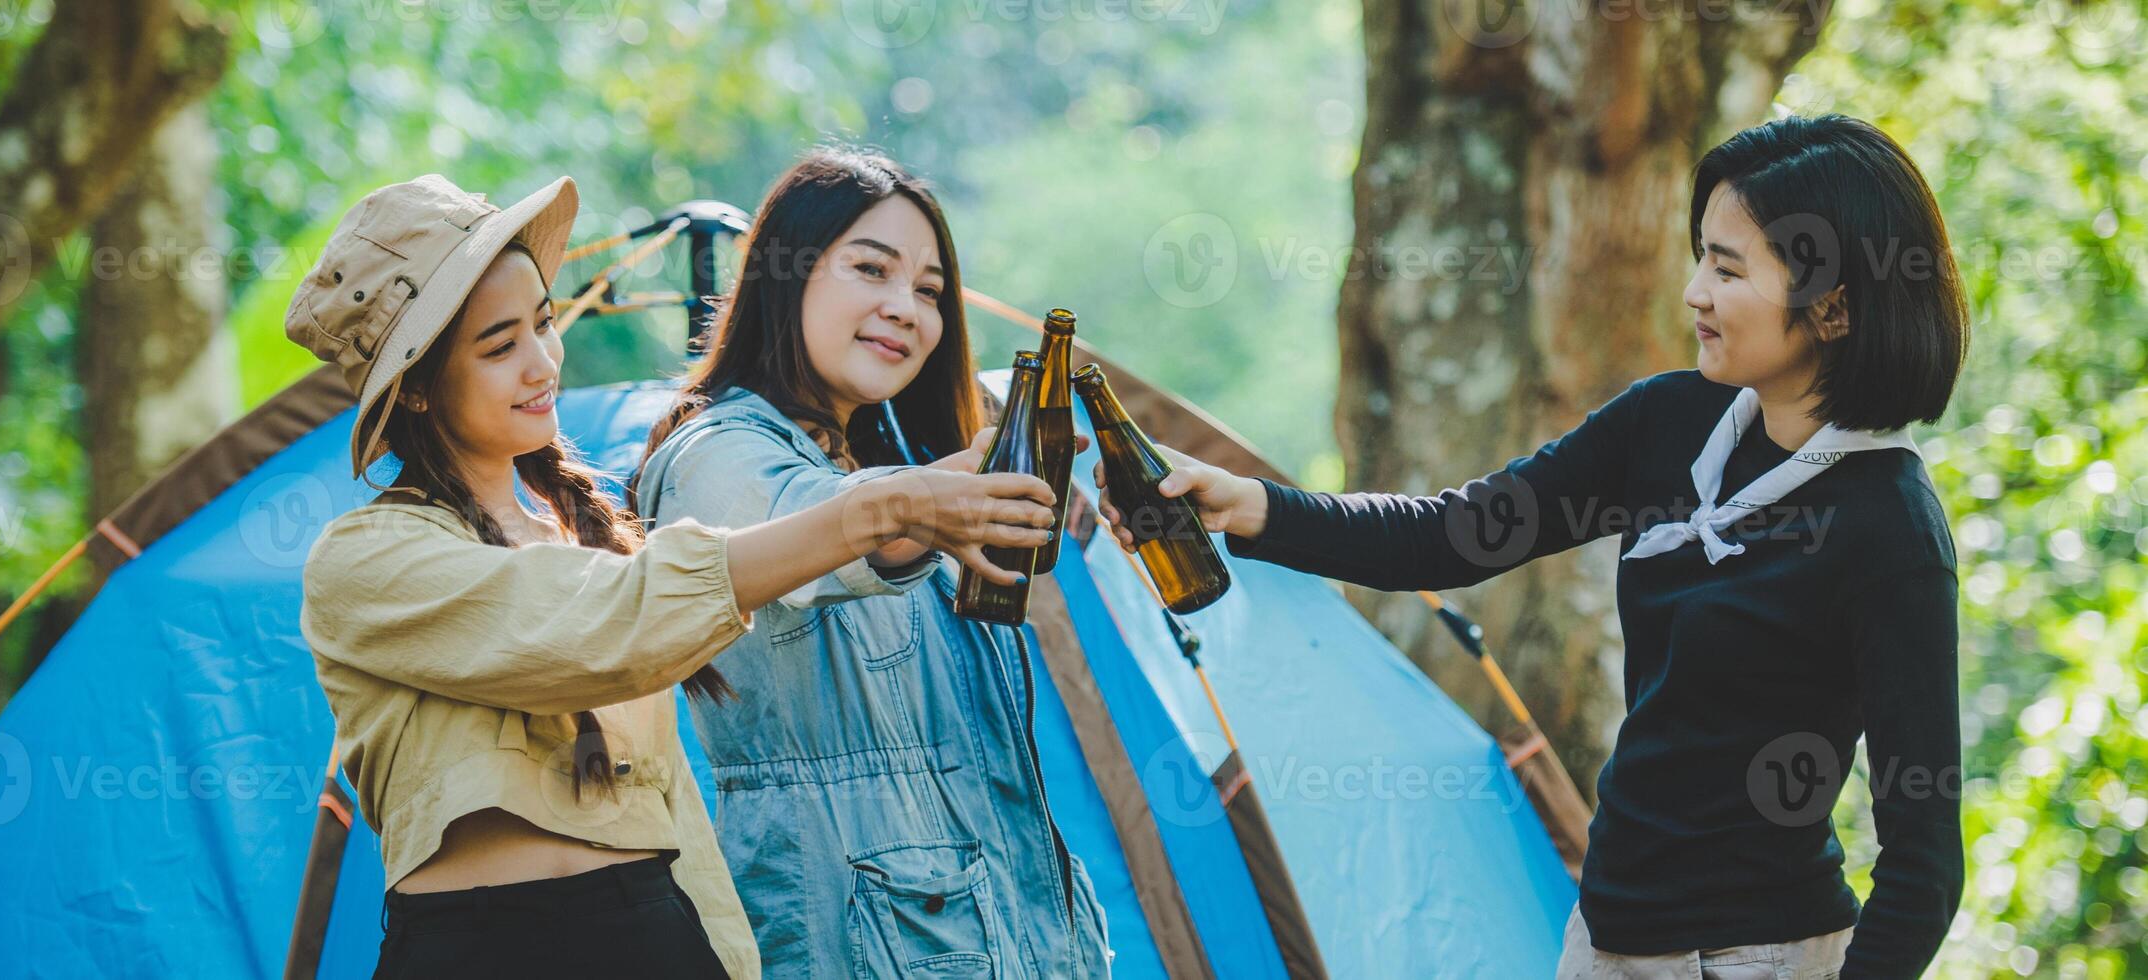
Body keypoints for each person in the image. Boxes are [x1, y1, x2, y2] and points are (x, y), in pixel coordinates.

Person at [1099, 114, 1969, 979]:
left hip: (1754, 959)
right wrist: (1249, 504)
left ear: (1834, 305)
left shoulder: (1889, 527)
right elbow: (1447, 537)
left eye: (1728, 268)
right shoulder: (1667, 422)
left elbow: (1923, 864)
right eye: (1700, 255)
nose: (1695, 291)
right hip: (1604, 940)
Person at [289, 174, 1058, 978]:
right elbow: (604, 627)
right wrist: (881, 511)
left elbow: (671, 808)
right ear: (413, 386)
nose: (542, 362)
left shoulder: (588, 541)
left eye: (544, 324)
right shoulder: (365, 562)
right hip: (475, 947)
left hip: (655, 937)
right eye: (499, 345)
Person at [630, 147, 1115, 978]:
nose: (907, 309)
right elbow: (822, 528)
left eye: (929, 291)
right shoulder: (715, 456)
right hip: (846, 939)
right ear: (789, 275)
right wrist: (925, 504)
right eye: (871, 269)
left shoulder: (881, 459)